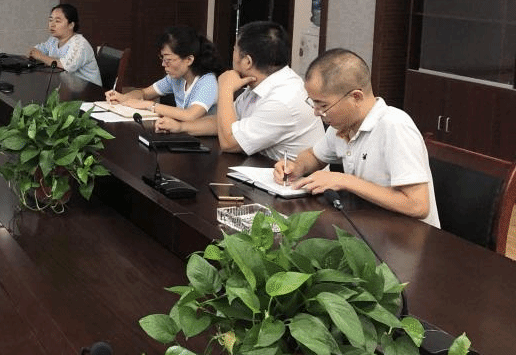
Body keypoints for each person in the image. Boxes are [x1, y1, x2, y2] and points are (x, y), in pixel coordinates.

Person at [274, 48, 440, 227]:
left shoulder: (394, 126)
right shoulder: (343, 125)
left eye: (323, 105)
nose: (316, 113)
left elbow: (418, 206)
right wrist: (296, 167)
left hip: (409, 235)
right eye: (313, 103)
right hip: (368, 224)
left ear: (356, 97)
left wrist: (346, 181)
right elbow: (314, 156)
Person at [160, 21, 323, 158]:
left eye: (235, 50)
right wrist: (181, 127)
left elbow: (229, 142)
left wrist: (224, 88)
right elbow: (226, 123)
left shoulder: (283, 99)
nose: (232, 55)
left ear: (247, 62)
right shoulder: (261, 82)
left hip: (295, 183)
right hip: (265, 170)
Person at [104, 25, 224, 123]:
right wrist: (123, 98)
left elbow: (190, 115)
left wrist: (149, 105)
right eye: (162, 58)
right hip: (183, 136)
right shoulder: (176, 78)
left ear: (189, 60)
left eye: (168, 59)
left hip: (206, 142)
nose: (163, 64)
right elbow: (144, 93)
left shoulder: (208, 82)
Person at [28, 3, 102, 86]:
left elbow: (67, 66)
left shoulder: (80, 44)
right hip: (67, 86)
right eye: (50, 20)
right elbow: (38, 49)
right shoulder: (53, 40)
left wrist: (40, 56)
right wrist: (33, 52)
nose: (52, 25)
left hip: (90, 90)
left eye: (57, 21)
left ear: (71, 25)